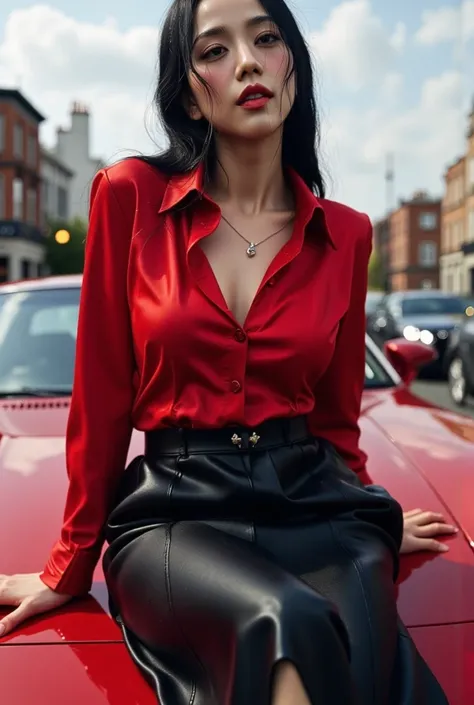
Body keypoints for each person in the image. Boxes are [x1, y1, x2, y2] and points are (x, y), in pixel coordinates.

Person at [0, 0, 455, 703]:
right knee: (287, 620)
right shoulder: (128, 197)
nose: (246, 61)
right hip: (178, 510)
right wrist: (68, 564)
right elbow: (101, 399)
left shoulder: (348, 232)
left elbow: (336, 422)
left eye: (266, 39)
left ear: (291, 69)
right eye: (214, 50)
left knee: (362, 646)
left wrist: (376, 509)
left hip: (313, 500)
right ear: (188, 93)